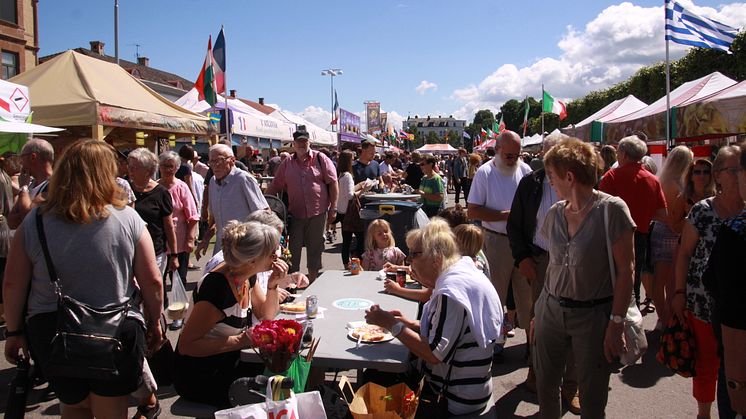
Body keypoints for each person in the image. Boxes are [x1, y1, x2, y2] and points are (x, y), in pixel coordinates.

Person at [3, 139, 164, 418]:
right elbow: (152, 281)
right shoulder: (128, 218)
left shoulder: (36, 220)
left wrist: (14, 332)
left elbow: (13, 283)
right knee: (110, 408)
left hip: (53, 329)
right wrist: (155, 320)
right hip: (114, 328)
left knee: (74, 406)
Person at [533, 138, 635, 418]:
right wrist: (539, 312)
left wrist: (616, 323)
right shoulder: (555, 213)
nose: (549, 182)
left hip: (593, 316)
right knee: (546, 388)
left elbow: (627, 271)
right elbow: (554, 266)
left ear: (569, 176)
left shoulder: (612, 210)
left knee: (592, 396)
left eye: (552, 176)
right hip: (550, 311)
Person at [365, 219, 503, 416]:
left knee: (379, 381)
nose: (410, 261)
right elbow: (454, 331)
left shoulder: (451, 293)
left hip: (458, 398)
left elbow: (434, 354)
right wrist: (411, 324)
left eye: (414, 255)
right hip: (474, 387)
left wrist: (392, 324)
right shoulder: (461, 273)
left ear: (436, 259)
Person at [173, 221, 287, 408]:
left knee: (282, 374)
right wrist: (241, 340)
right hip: (200, 374)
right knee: (274, 391)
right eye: (272, 252)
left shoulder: (246, 275)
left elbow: (266, 316)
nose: (277, 256)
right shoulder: (217, 289)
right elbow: (187, 346)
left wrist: (273, 284)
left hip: (227, 361)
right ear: (252, 261)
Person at [506, 132, 579, 409]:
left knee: (573, 322)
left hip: (573, 263)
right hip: (540, 261)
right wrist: (522, 258)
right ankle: (536, 374)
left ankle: (571, 386)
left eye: (558, 153)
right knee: (538, 321)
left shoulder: (577, 182)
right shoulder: (531, 183)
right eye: (548, 153)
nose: (552, 159)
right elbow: (515, 225)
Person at [672, 145, 744, 419]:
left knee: (736, 367)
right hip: (703, 304)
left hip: (739, 309)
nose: (738, 175)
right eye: (733, 169)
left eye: (741, 168)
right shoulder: (703, 211)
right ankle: (704, 413)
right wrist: (678, 292)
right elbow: (684, 255)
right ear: (719, 175)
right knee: (706, 364)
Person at [467, 130, 533, 338]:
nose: (513, 160)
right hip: (497, 242)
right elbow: (473, 211)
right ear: (497, 151)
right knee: (494, 295)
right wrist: (507, 216)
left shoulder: (526, 170)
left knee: (527, 297)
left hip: (524, 242)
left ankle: (532, 344)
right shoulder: (485, 173)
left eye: (517, 155)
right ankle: (494, 342)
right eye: (509, 156)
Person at [703, 142, 746, 417]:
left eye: (737, 169)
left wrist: (736, 386)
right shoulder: (707, 213)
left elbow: (734, 316)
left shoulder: (737, 231)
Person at [599, 135, 667, 308]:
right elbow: (662, 214)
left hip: (612, 237)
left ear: (623, 153)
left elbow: (599, 211)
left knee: (610, 284)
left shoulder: (611, 176)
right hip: (641, 236)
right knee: (632, 282)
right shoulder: (653, 180)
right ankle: (632, 322)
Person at [267, 126, 338, 283]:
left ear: (309, 142)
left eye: (304, 141)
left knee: (315, 249)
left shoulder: (321, 159)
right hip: (295, 214)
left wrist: (333, 208)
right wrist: (264, 203)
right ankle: (293, 283)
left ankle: (312, 282)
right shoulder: (287, 163)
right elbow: (275, 186)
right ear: (293, 144)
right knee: (293, 250)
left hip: (318, 213)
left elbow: (333, 183)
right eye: (299, 141)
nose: (301, 144)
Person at [195, 144, 268, 257]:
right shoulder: (213, 182)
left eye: (219, 160)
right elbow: (215, 219)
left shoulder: (243, 179)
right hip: (222, 248)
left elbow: (264, 213)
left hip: (244, 247)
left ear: (232, 160)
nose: (215, 165)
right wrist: (206, 239)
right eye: (212, 162)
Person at [649, 145, 692, 328]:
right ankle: (666, 319)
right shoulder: (674, 184)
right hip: (670, 232)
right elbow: (671, 216)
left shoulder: (665, 180)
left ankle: (664, 317)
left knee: (666, 280)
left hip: (664, 231)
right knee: (667, 281)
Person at [158, 151, 200, 330]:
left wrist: (190, 239)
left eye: (171, 166)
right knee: (158, 280)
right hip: (159, 243)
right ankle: (162, 311)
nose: (167, 169)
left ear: (176, 168)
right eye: (164, 166)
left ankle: (178, 315)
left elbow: (192, 216)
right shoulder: (155, 187)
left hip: (179, 241)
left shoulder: (181, 187)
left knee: (178, 279)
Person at [128, 148, 178, 277]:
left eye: (135, 167)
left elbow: (168, 226)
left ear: (148, 171)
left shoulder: (161, 193)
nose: (130, 171)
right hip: (130, 251)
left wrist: (174, 255)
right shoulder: (126, 189)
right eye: (130, 166)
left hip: (154, 253)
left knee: (153, 288)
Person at [8, 138, 54, 229]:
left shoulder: (54, 185)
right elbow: (11, 222)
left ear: (33, 157)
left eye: (22, 157)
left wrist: (24, 188)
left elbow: (29, 219)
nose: (20, 162)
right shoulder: (30, 184)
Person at [334, 150, 364, 268]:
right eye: (352, 158)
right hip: (349, 211)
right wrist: (363, 190)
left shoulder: (340, 174)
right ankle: (354, 259)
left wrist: (359, 185)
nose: (354, 160)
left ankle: (346, 263)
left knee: (346, 240)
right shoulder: (347, 175)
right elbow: (351, 195)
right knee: (360, 237)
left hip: (342, 210)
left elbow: (345, 192)